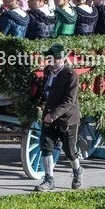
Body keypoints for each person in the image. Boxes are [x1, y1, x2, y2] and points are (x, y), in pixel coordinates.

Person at [33, 43, 83, 192]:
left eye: (56, 59)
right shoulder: (48, 71)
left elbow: (69, 101)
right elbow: (45, 91)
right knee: (46, 147)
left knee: (70, 151)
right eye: (51, 59)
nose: (53, 62)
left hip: (66, 120)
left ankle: (77, 171)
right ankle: (49, 179)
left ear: (62, 59)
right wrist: (41, 104)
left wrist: (53, 115)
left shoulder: (71, 76)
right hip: (49, 117)